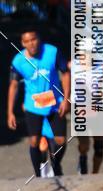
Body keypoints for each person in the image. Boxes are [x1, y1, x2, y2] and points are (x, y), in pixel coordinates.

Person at [7, 29, 71, 177]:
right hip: (33, 105)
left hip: (55, 103)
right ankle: (38, 174)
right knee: (35, 141)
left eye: (34, 39)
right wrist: (10, 112)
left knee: (60, 141)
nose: (32, 43)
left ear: (39, 39)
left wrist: (66, 99)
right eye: (27, 41)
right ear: (23, 43)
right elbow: (14, 85)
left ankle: (56, 164)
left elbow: (66, 73)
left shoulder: (52, 52)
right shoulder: (18, 61)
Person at [76, 66, 103, 175]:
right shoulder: (73, 67)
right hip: (81, 111)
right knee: (84, 146)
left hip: (97, 110)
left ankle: (95, 174)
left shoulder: (102, 69)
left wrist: (97, 96)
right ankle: (82, 162)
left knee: (99, 147)